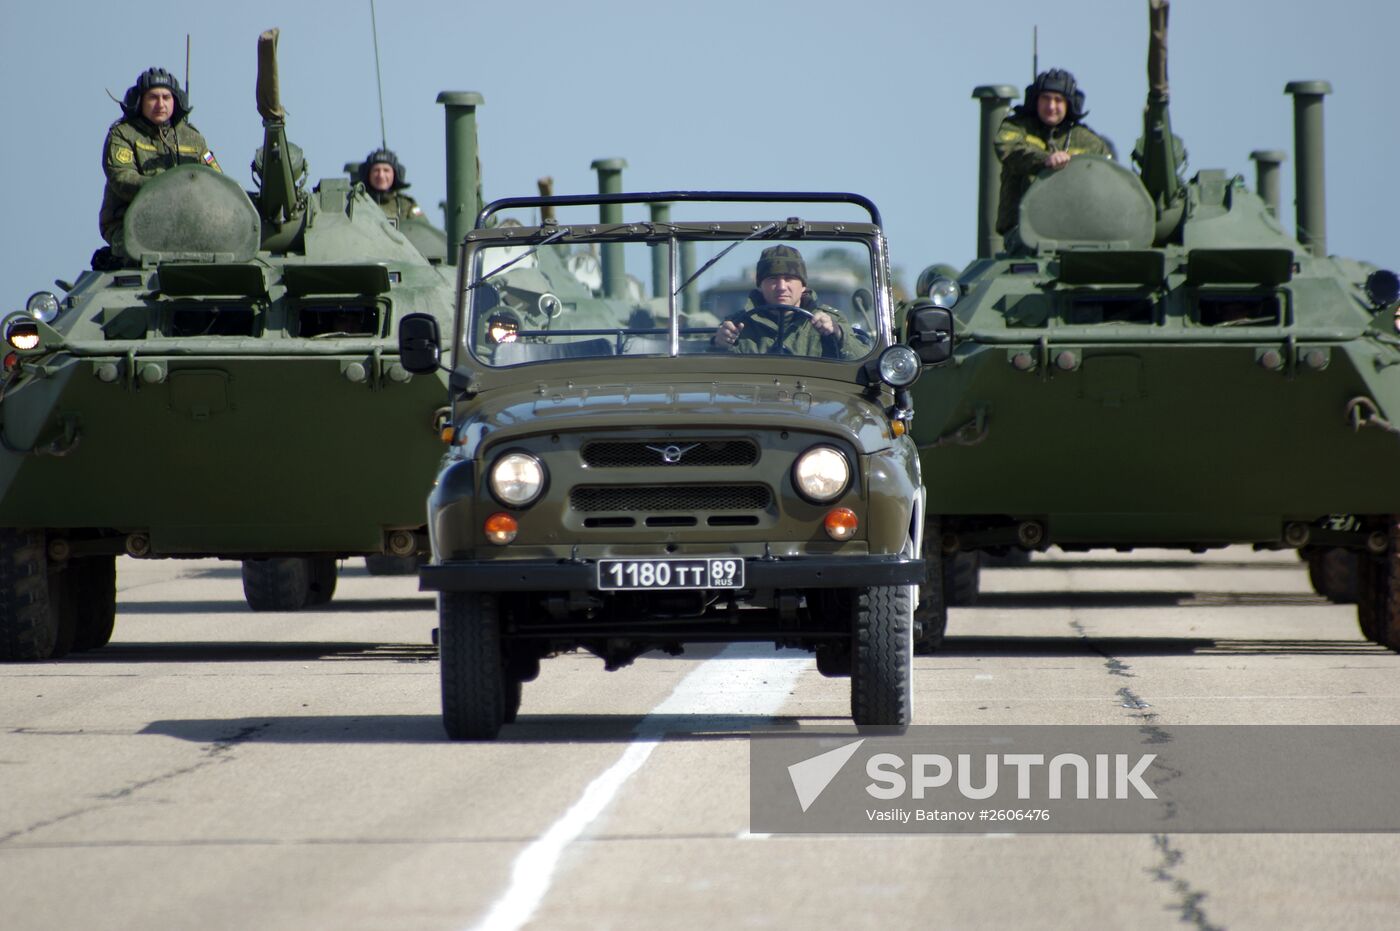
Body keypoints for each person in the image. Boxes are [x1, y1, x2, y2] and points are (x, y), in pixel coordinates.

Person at [99, 67, 220, 258]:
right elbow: (122, 179)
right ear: (140, 101)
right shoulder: (123, 135)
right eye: (153, 97)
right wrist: (170, 188)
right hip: (131, 225)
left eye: (166, 97)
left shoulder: (193, 139)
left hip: (186, 225)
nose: (160, 104)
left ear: (176, 101)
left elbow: (216, 180)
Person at [995, 68, 1114, 236]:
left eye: (1058, 100)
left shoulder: (1089, 142)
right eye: (1045, 99)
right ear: (1036, 100)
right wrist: (1045, 160)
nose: (1051, 106)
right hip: (1021, 233)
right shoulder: (1017, 128)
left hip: (1074, 233)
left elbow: (1105, 176)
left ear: (1069, 104)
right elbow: (1007, 149)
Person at [711, 245, 857, 358]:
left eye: (789, 278)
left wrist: (838, 333)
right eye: (772, 279)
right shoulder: (737, 325)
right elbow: (714, 375)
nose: (781, 287)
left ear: (803, 285)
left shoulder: (831, 321)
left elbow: (864, 363)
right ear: (760, 286)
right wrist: (719, 344)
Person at [359, 148, 424, 225]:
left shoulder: (407, 206)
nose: (381, 175)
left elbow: (423, 232)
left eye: (386, 170)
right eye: (376, 170)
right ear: (368, 174)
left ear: (395, 175)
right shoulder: (357, 202)